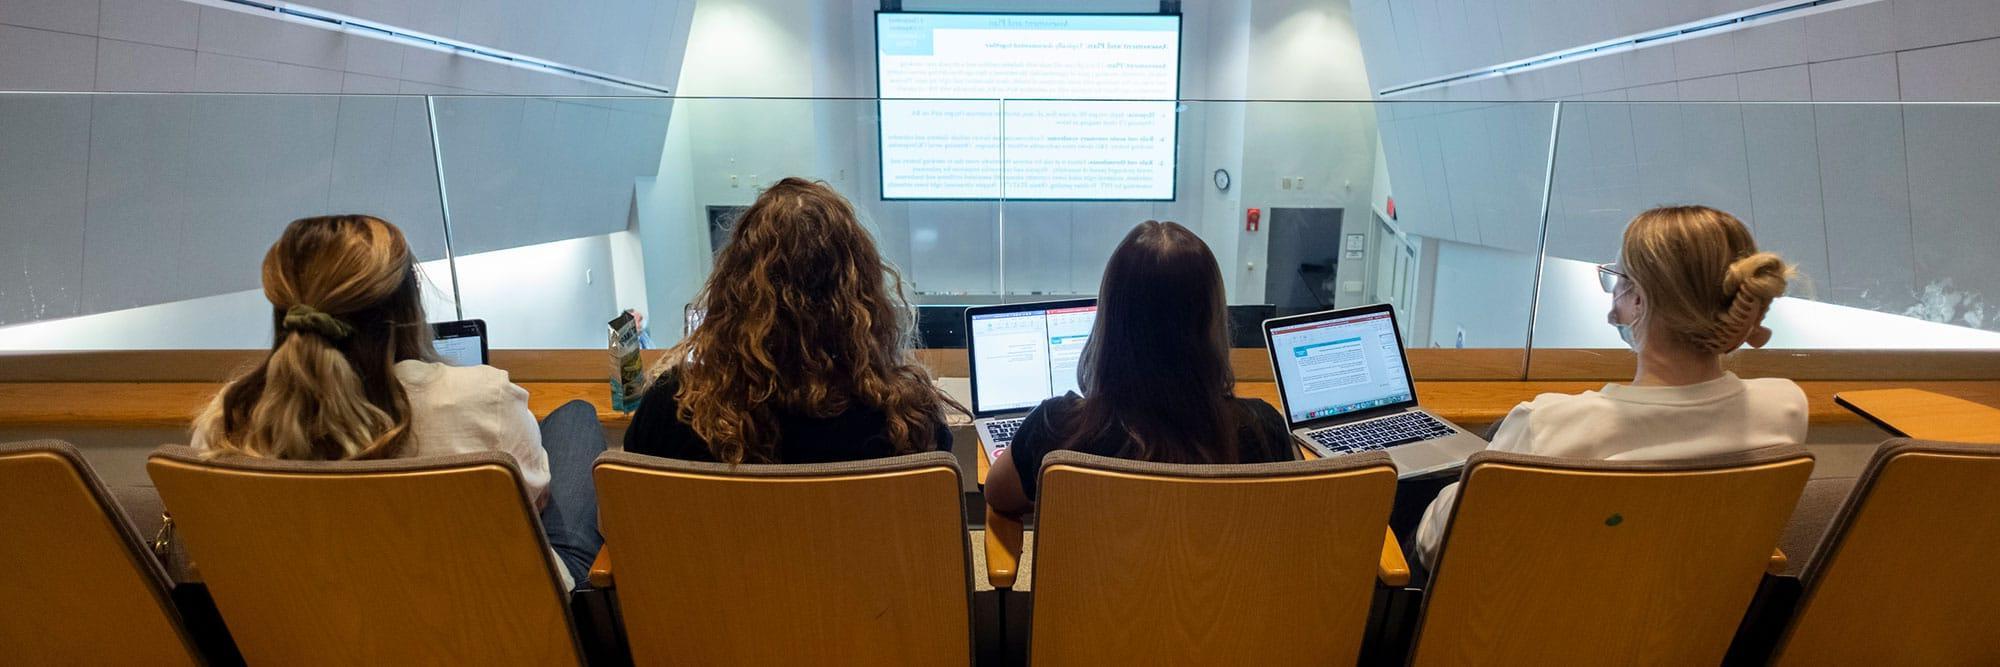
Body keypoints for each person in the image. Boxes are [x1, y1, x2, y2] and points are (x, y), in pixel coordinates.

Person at [190, 215, 604, 590]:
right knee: (576, 418)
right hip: (487, 626)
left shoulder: (225, 425)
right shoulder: (484, 398)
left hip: (323, 636)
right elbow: (531, 507)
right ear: (408, 305)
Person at [1410, 205, 1804, 568]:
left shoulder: (1549, 425)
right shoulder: (1784, 408)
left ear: (1637, 301)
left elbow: (1434, 546)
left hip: (1529, 633)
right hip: (1682, 634)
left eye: (1614, 278)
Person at [624, 178, 956, 463]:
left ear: (733, 290)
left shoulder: (673, 408)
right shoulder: (909, 417)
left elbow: (631, 517)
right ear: (862, 294)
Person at [985, 220, 1295, 516]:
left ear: (1110, 321)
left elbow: (998, 494)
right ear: (1212, 324)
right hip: (1222, 574)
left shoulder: (1056, 430)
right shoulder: (1262, 430)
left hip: (1102, 574)